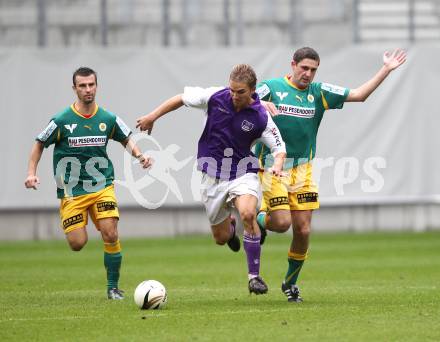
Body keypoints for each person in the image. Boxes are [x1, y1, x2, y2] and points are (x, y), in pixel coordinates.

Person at [254, 47, 406, 302]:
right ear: (293, 64)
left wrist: (386, 69)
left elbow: (359, 95)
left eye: (313, 69)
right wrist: (257, 103)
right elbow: (240, 100)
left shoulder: (318, 92)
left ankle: (290, 284)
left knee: (302, 231)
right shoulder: (271, 87)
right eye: (304, 68)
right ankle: (259, 220)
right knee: (281, 224)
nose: (308, 74)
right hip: (273, 165)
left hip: (303, 168)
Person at [136, 64, 286, 294]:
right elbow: (181, 98)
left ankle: (254, 277)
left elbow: (279, 148)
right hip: (211, 176)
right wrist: (152, 116)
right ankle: (232, 227)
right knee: (221, 237)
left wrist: (277, 165)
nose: (234, 96)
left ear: (253, 91)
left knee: (248, 212)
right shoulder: (216, 97)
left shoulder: (260, 116)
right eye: (232, 90)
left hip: (242, 173)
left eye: (240, 92)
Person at [24, 67, 152, 300]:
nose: (88, 89)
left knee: (110, 234)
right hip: (72, 192)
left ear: (97, 86)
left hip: (102, 186)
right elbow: (39, 143)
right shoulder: (62, 120)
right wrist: (31, 173)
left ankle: (113, 288)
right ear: (74, 89)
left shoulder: (107, 118)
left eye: (91, 85)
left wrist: (140, 155)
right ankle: (79, 221)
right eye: (82, 86)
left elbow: (126, 138)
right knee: (77, 243)